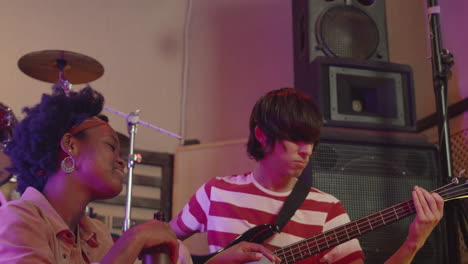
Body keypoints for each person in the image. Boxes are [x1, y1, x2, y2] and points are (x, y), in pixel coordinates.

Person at [0, 86, 280, 264]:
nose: (121, 160)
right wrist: (133, 241)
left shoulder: (94, 234)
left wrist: (214, 262)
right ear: (70, 145)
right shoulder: (18, 219)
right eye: (111, 146)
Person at [170, 87, 445, 264]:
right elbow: (159, 244)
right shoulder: (215, 193)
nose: (307, 151)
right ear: (261, 135)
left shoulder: (327, 209)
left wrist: (414, 242)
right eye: (296, 139)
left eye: (311, 141)